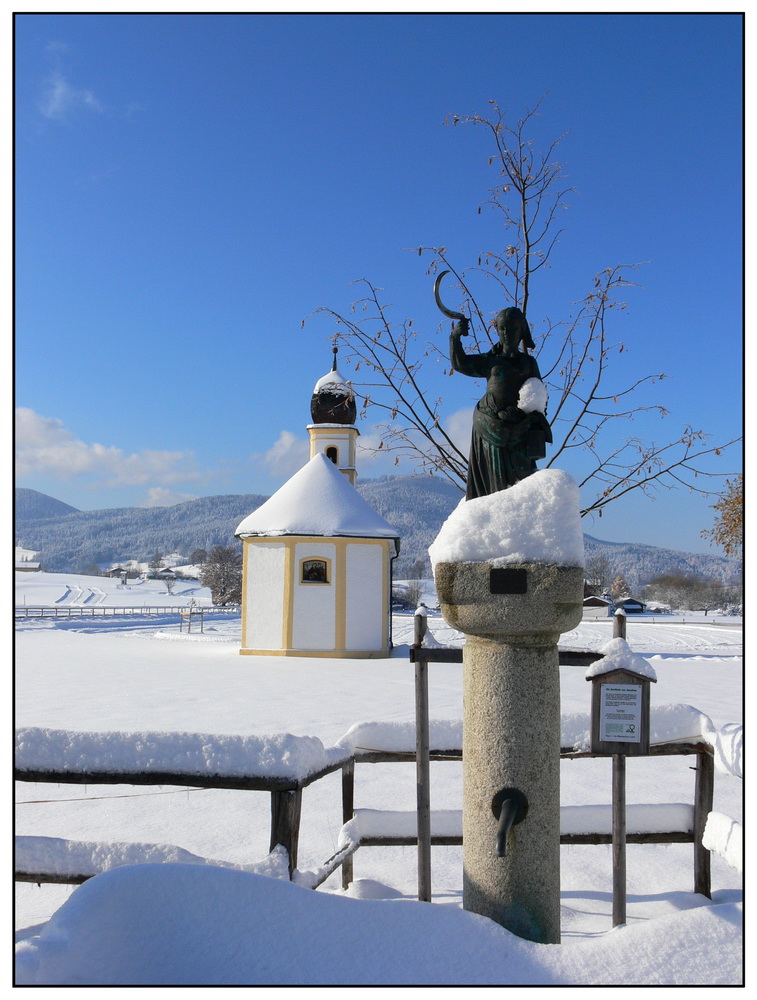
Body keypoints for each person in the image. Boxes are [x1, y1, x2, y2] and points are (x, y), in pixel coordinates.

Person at [450, 306, 552, 499]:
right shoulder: (490, 361)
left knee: (521, 478)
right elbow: (460, 363)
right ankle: (492, 513)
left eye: (512, 328)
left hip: (519, 427)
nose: (506, 333)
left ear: (521, 331)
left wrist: (525, 415)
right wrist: (455, 337)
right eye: (502, 328)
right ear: (496, 329)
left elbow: (539, 396)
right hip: (489, 423)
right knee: (492, 482)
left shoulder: (528, 363)